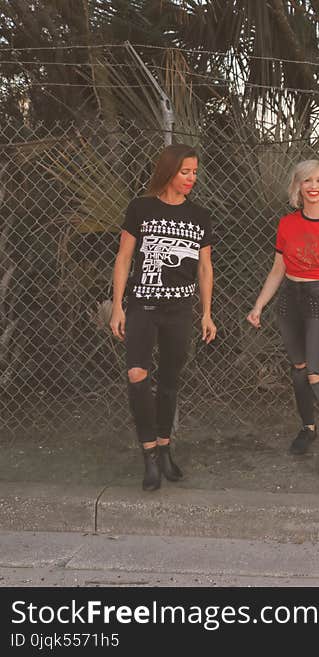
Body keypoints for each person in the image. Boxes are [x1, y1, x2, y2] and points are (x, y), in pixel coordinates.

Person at [109, 143, 217, 491]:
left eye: (195, 172)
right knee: (137, 375)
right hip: (142, 306)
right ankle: (149, 455)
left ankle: (166, 448)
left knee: (169, 380)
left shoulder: (199, 215)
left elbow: (204, 267)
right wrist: (117, 305)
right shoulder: (141, 208)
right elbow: (124, 258)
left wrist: (207, 314)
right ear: (169, 171)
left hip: (180, 310)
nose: (191, 178)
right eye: (186, 172)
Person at [247, 160, 319, 476]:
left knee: (316, 376)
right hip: (289, 301)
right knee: (298, 370)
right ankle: (308, 428)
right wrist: (258, 306)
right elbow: (278, 268)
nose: (313, 186)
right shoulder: (287, 224)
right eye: (307, 180)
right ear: (298, 185)